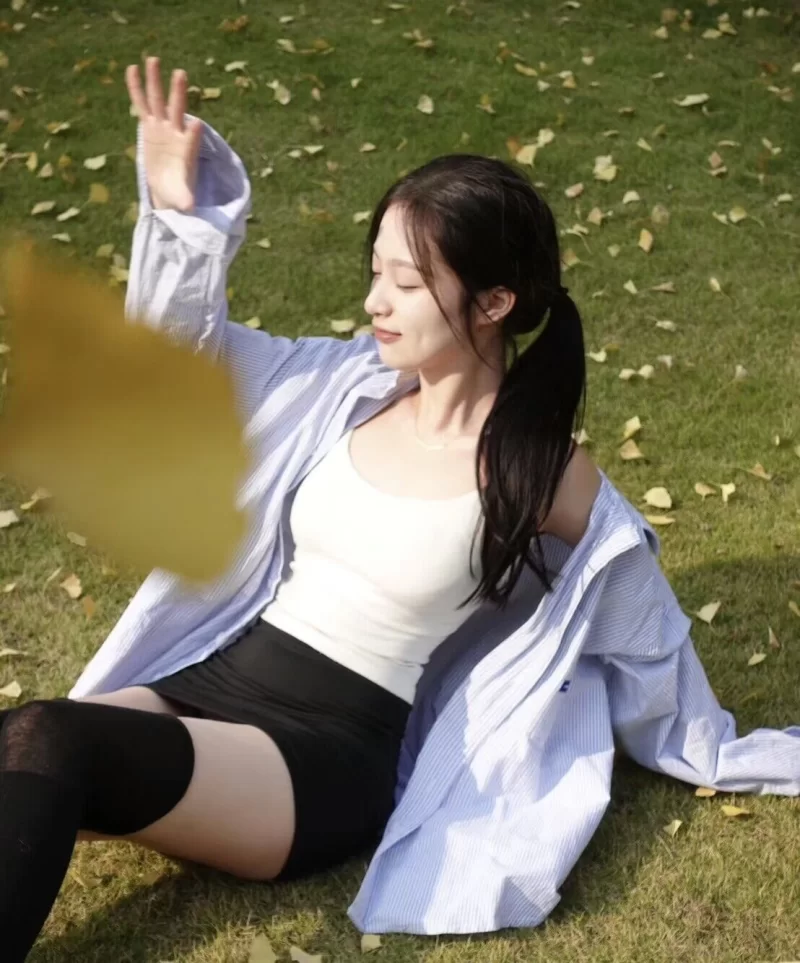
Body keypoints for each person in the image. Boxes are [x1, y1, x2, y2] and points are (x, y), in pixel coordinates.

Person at [2, 57, 798, 961]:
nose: (375, 301)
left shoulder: (540, 474)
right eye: (375, 271)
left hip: (316, 759)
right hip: (208, 679)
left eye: (408, 283)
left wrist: (713, 747)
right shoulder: (341, 386)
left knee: (52, 737)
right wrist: (181, 219)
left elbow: (643, 626)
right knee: (22, 740)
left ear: (493, 302)